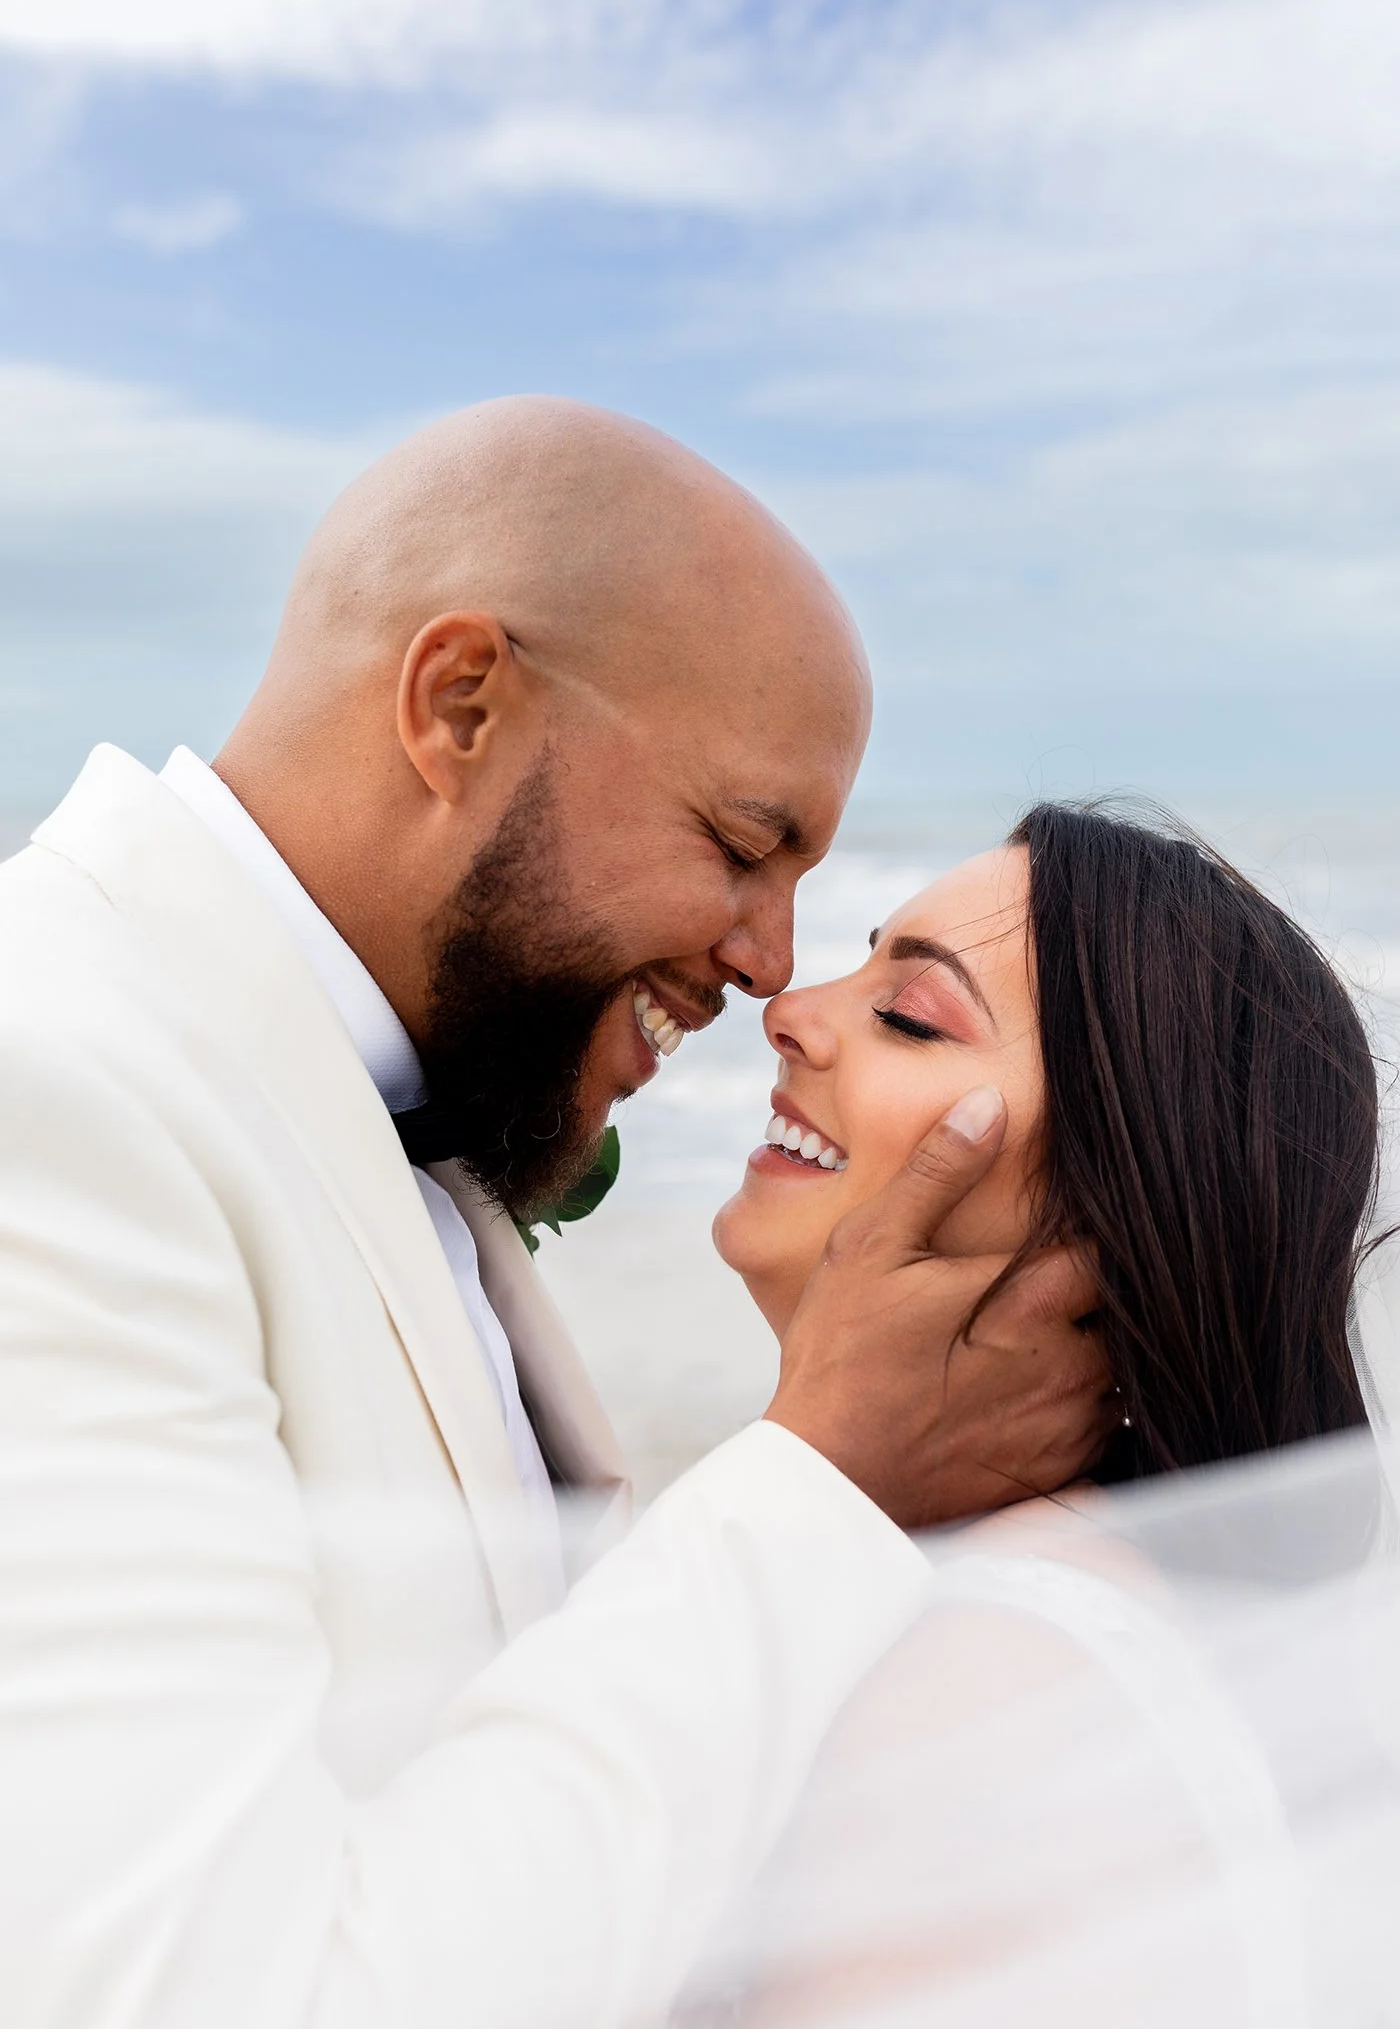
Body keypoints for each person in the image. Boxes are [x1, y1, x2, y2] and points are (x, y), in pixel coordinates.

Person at [0, 399, 1111, 2029]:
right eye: (744, 844)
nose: (770, 966)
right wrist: (821, 1478)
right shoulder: (55, 1084)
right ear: (460, 706)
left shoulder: (383, 1107)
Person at [701, 799, 1381, 2027]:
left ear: (1103, 1217)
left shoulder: (989, 1684)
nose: (788, 1012)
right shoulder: (1021, 1607)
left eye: (909, 1015)